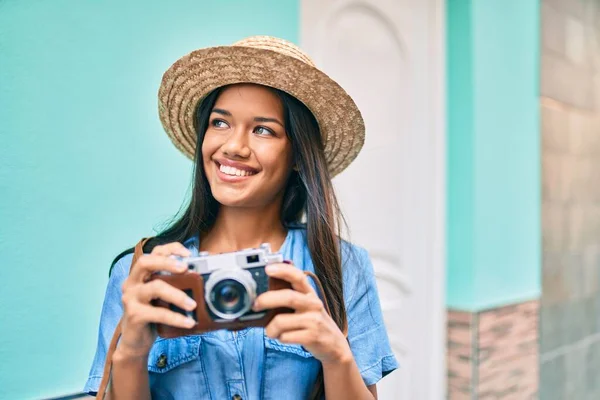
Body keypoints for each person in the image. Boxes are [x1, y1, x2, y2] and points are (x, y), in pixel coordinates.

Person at [85, 36, 398, 399]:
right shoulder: (141, 272)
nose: (233, 146)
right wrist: (132, 352)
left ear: (298, 154)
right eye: (220, 123)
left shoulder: (342, 268)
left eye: (263, 129)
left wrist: (335, 356)